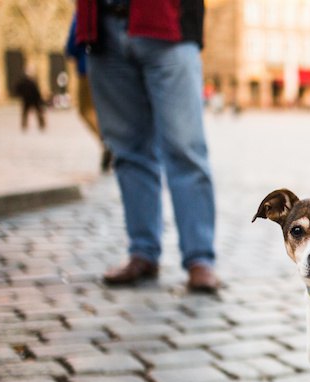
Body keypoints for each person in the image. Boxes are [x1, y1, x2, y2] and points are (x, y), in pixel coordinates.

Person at [75, 0, 219, 292]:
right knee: (127, 151)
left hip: (168, 21)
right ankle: (142, 252)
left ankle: (199, 258)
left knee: (185, 148)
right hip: (101, 27)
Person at [65, 14, 113, 172]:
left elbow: (72, 45)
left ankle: (109, 142)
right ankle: (111, 141)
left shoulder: (84, 11)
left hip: (87, 69)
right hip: (107, 67)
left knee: (85, 110)